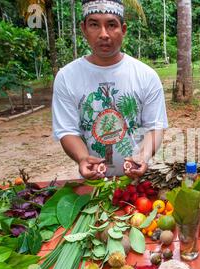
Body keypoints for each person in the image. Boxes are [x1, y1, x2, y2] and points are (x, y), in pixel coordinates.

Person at [52, 0, 168, 180]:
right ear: (84, 29)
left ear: (123, 29)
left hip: (137, 182)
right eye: (94, 25)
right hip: (94, 183)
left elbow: (155, 127)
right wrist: (83, 158)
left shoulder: (146, 75)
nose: (103, 34)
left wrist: (142, 157)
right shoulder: (67, 77)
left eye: (111, 25)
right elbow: (67, 130)